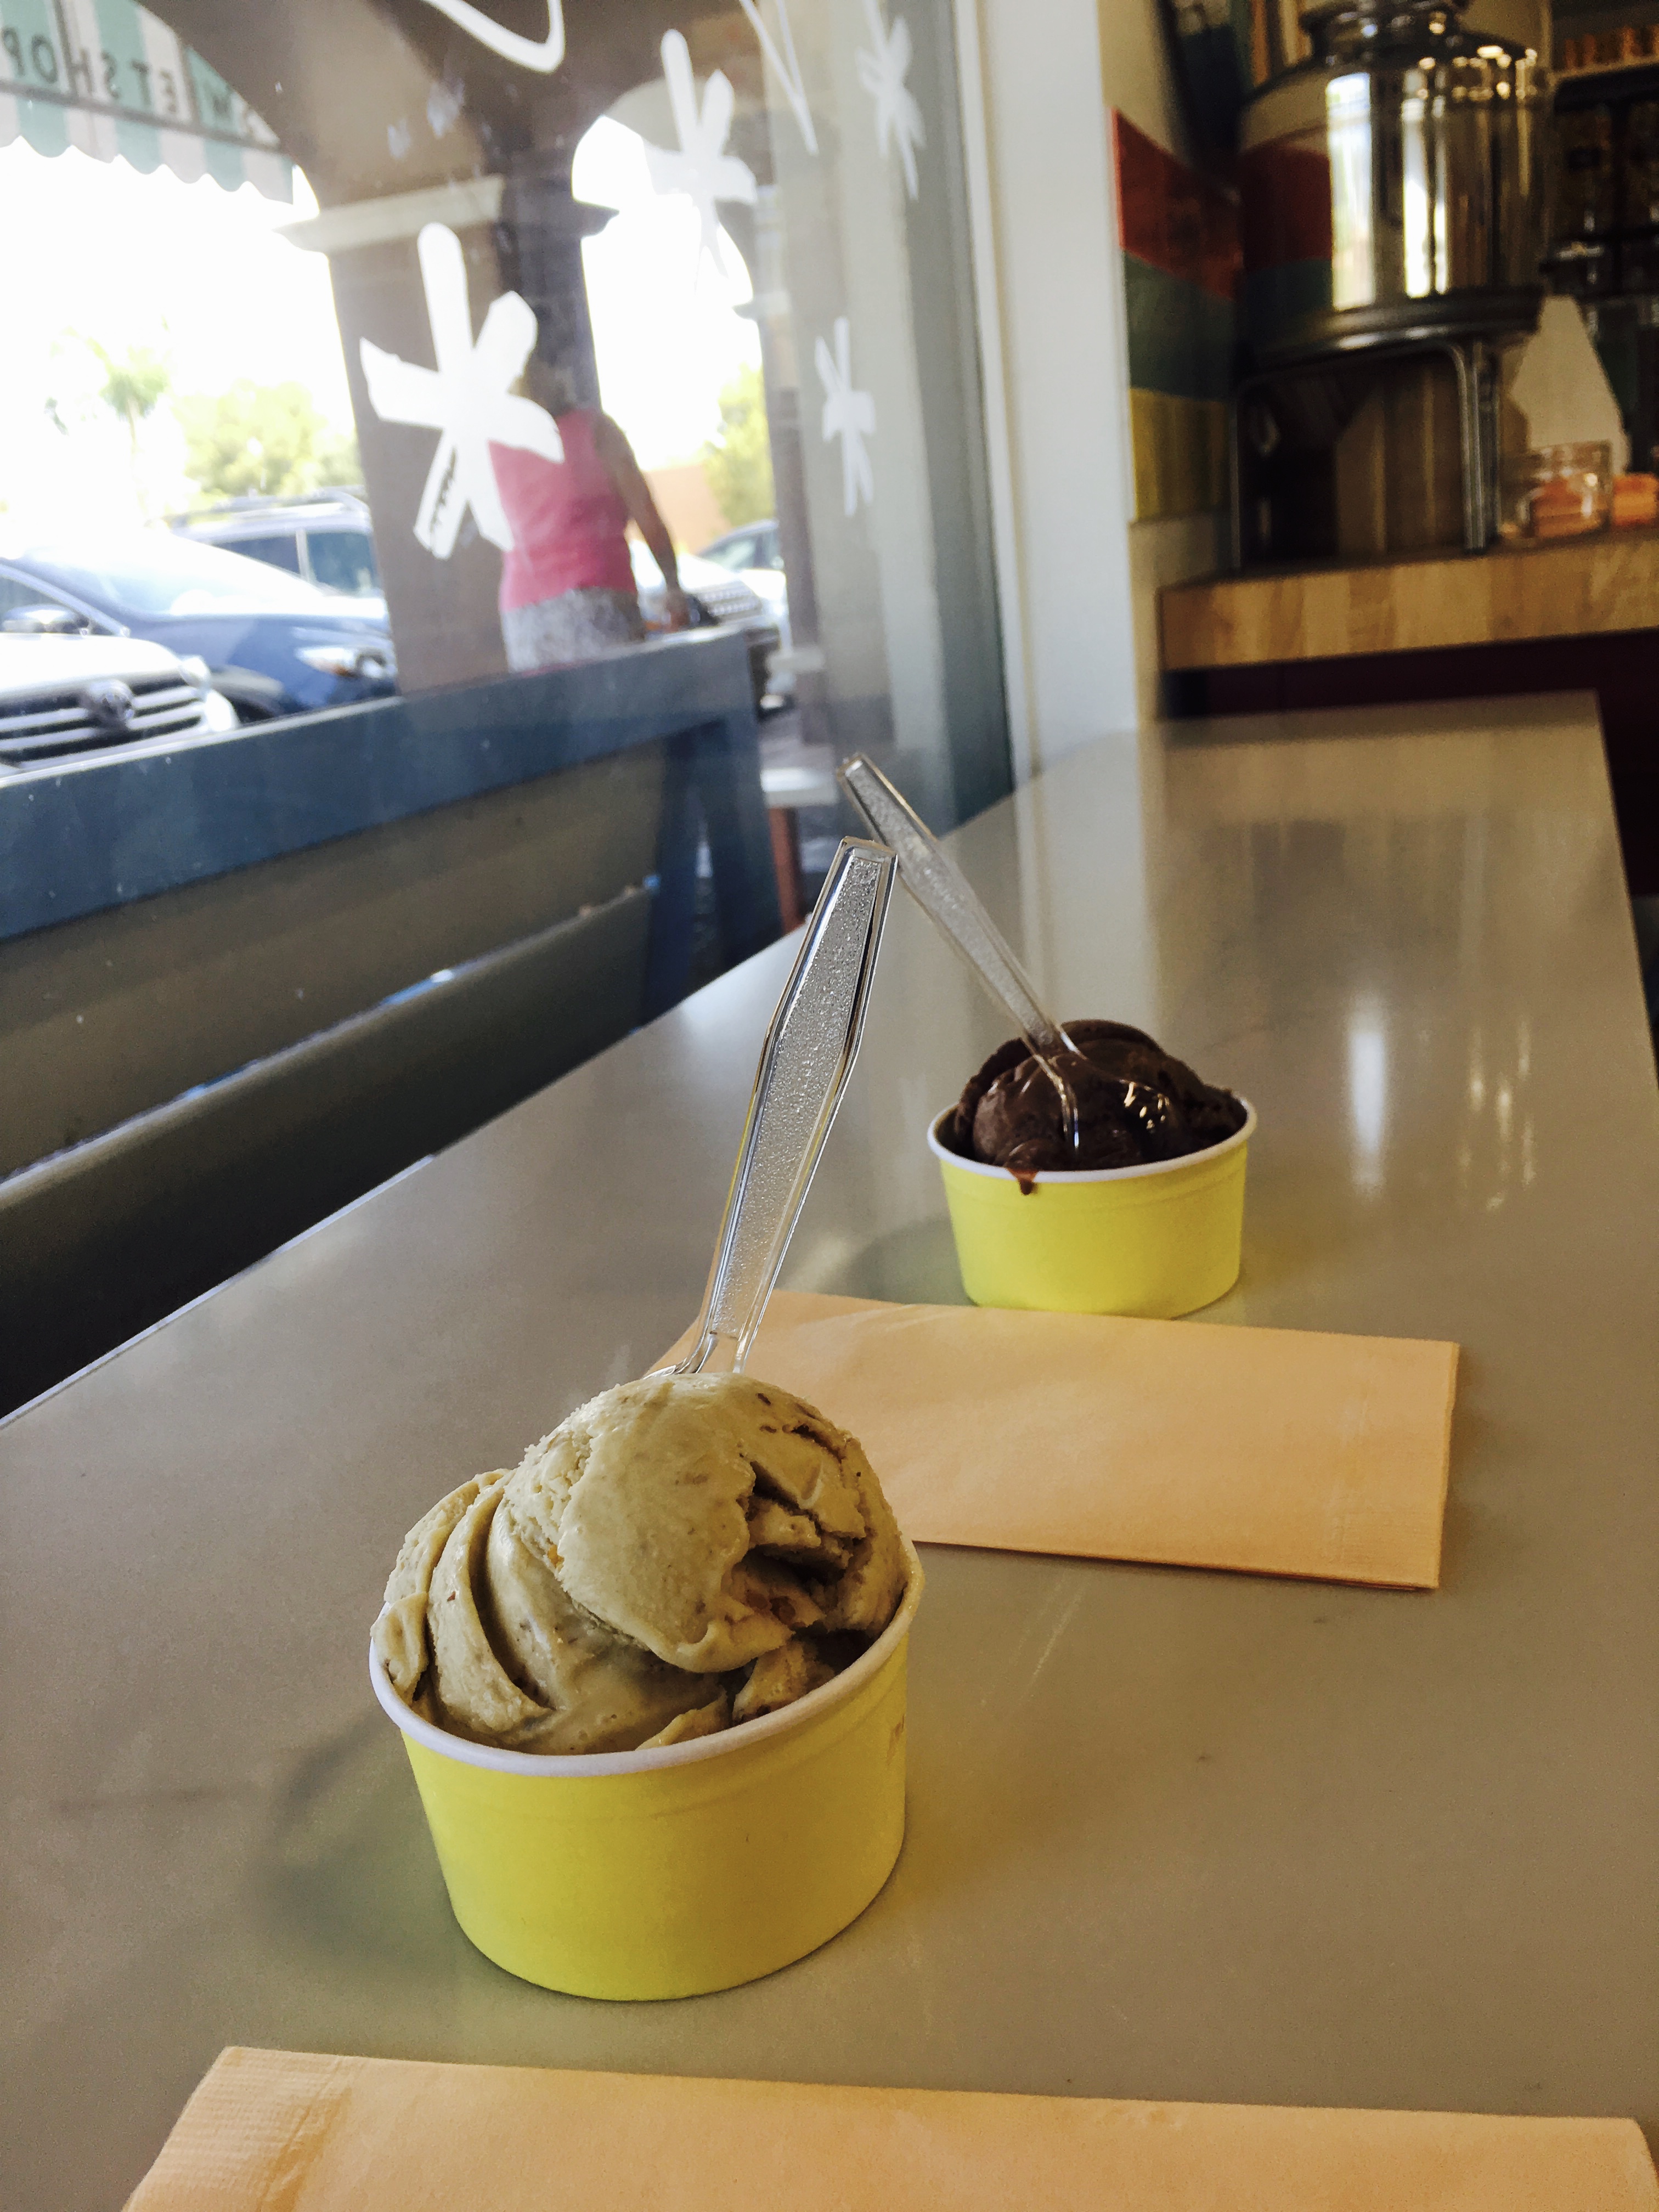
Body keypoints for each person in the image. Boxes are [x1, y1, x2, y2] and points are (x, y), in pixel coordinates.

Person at [489, 357, 690, 671]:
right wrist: (673, 588)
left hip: (524, 616)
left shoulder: (495, 448)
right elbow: (648, 519)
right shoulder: (596, 432)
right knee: (616, 700)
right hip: (595, 601)